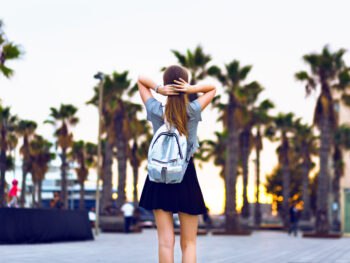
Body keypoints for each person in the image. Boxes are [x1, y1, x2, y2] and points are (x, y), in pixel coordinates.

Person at [138, 65, 216, 262]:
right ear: (185, 84)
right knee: (189, 242)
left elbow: (140, 79)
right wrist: (191, 89)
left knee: (165, 241)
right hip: (185, 175)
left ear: (166, 85)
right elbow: (213, 89)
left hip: (158, 176)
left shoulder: (156, 110)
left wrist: (157, 88)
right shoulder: (192, 109)